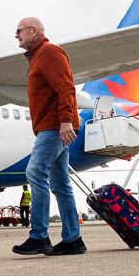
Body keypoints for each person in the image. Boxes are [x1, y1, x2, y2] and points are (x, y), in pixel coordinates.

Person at [11, 17, 85, 256]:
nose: (16, 36)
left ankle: (39, 236)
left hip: (54, 126)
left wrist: (65, 121)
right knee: (60, 183)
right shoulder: (37, 57)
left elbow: (66, 87)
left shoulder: (50, 52)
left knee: (35, 172)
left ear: (33, 31)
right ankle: (73, 239)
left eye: (19, 31)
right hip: (51, 126)